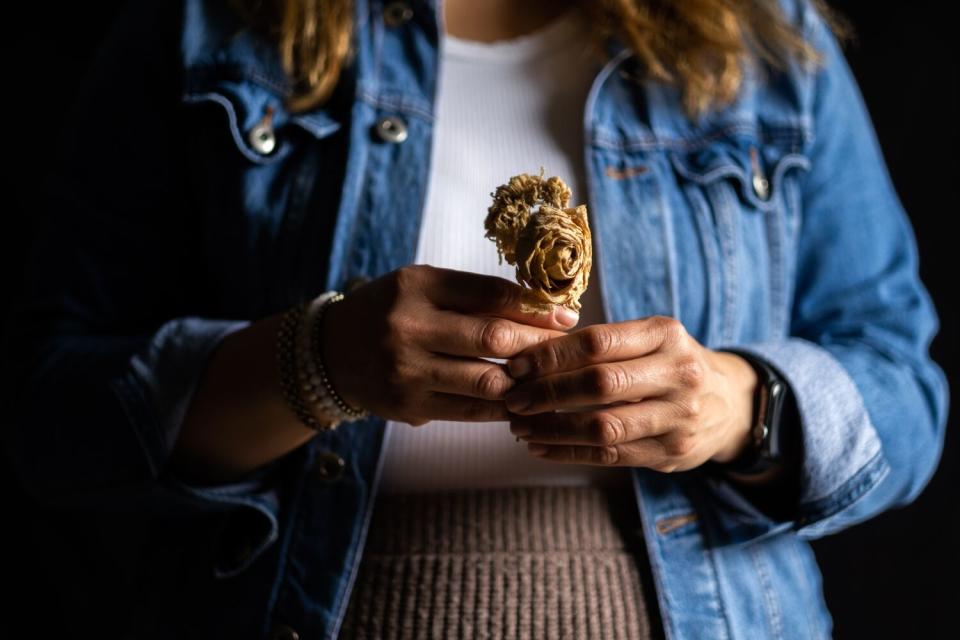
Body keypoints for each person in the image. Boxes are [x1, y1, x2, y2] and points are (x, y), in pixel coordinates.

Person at [2, 0, 949, 638]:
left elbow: (905, 389)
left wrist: (742, 405)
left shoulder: (764, 34)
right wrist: (316, 361)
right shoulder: (214, 25)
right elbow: (49, 414)